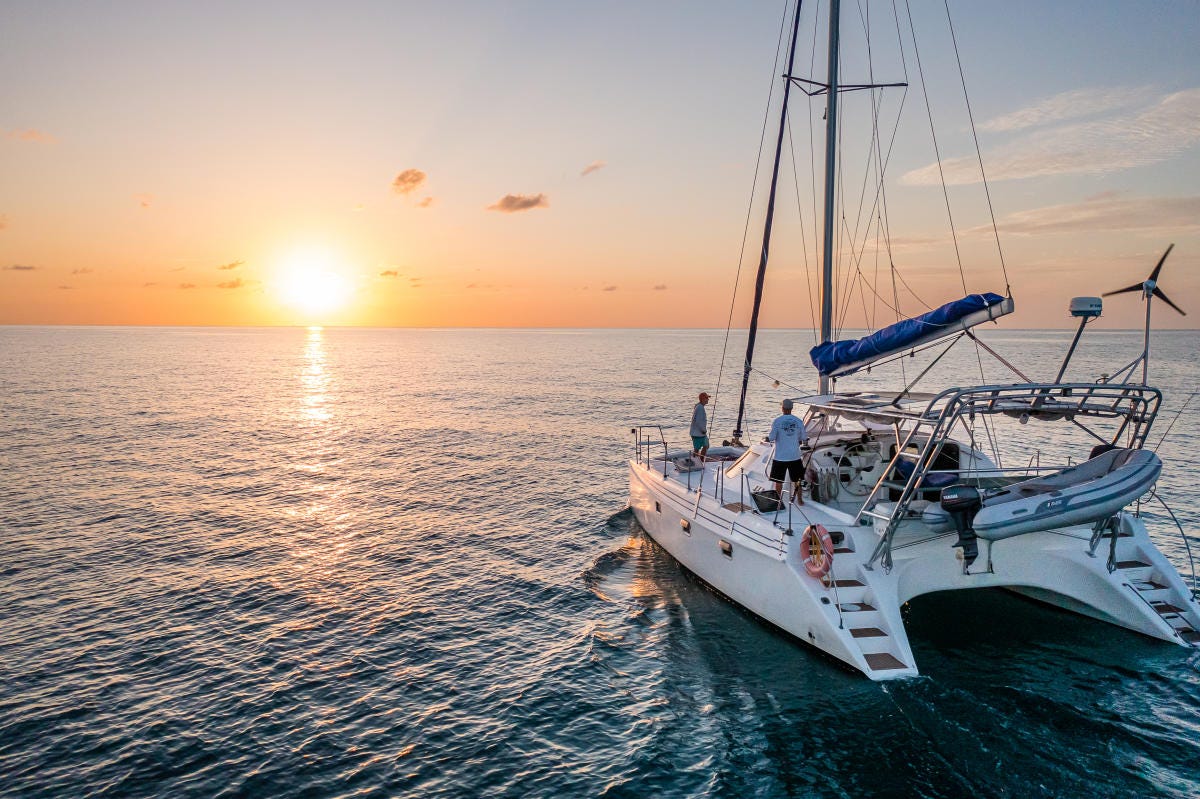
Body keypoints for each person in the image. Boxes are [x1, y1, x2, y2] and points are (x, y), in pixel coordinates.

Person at [768, 398, 808, 504]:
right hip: (794, 456)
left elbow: (771, 437)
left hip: (780, 456)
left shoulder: (777, 421)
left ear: (782, 408)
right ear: (792, 408)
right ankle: (800, 500)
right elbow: (804, 437)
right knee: (797, 480)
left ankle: (778, 501)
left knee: (779, 481)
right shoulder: (799, 421)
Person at [690, 392, 710, 460]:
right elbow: (698, 422)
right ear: (702, 399)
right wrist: (703, 430)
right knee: (697, 449)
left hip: (699, 433)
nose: (708, 399)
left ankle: (700, 459)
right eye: (706, 398)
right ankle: (697, 461)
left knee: (706, 445)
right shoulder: (700, 408)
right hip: (698, 433)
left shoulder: (699, 406)